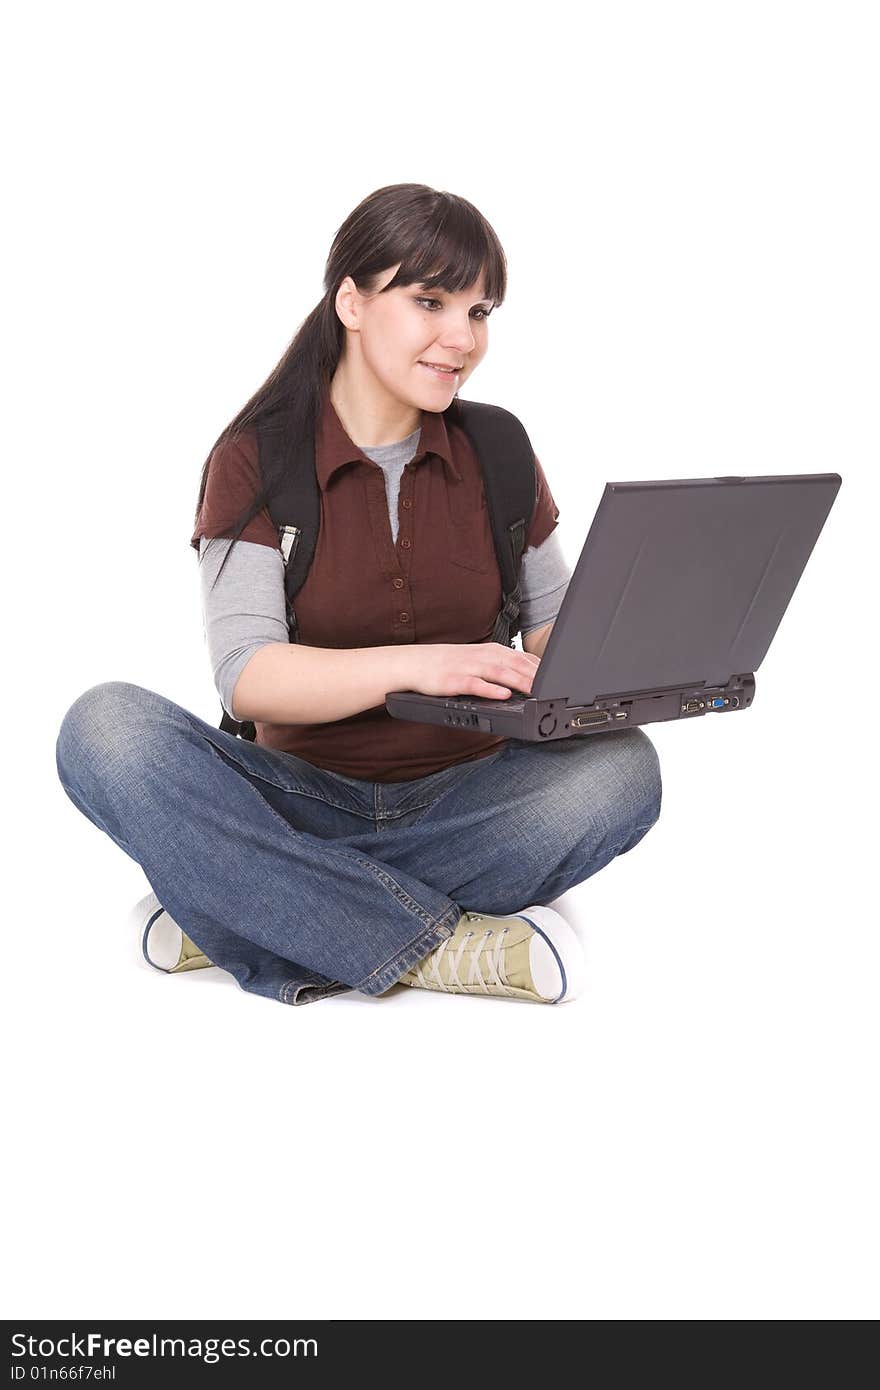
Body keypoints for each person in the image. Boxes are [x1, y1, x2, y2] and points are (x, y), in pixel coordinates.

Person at [55, 182, 663, 1009]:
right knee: (105, 728)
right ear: (350, 300)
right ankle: (437, 950)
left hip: (468, 800)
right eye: (430, 301)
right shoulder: (255, 459)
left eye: (480, 311)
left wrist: (637, 661)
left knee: (623, 773)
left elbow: (552, 637)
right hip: (293, 802)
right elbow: (248, 674)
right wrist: (428, 664)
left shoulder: (500, 449)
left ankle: (239, 908)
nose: (463, 338)